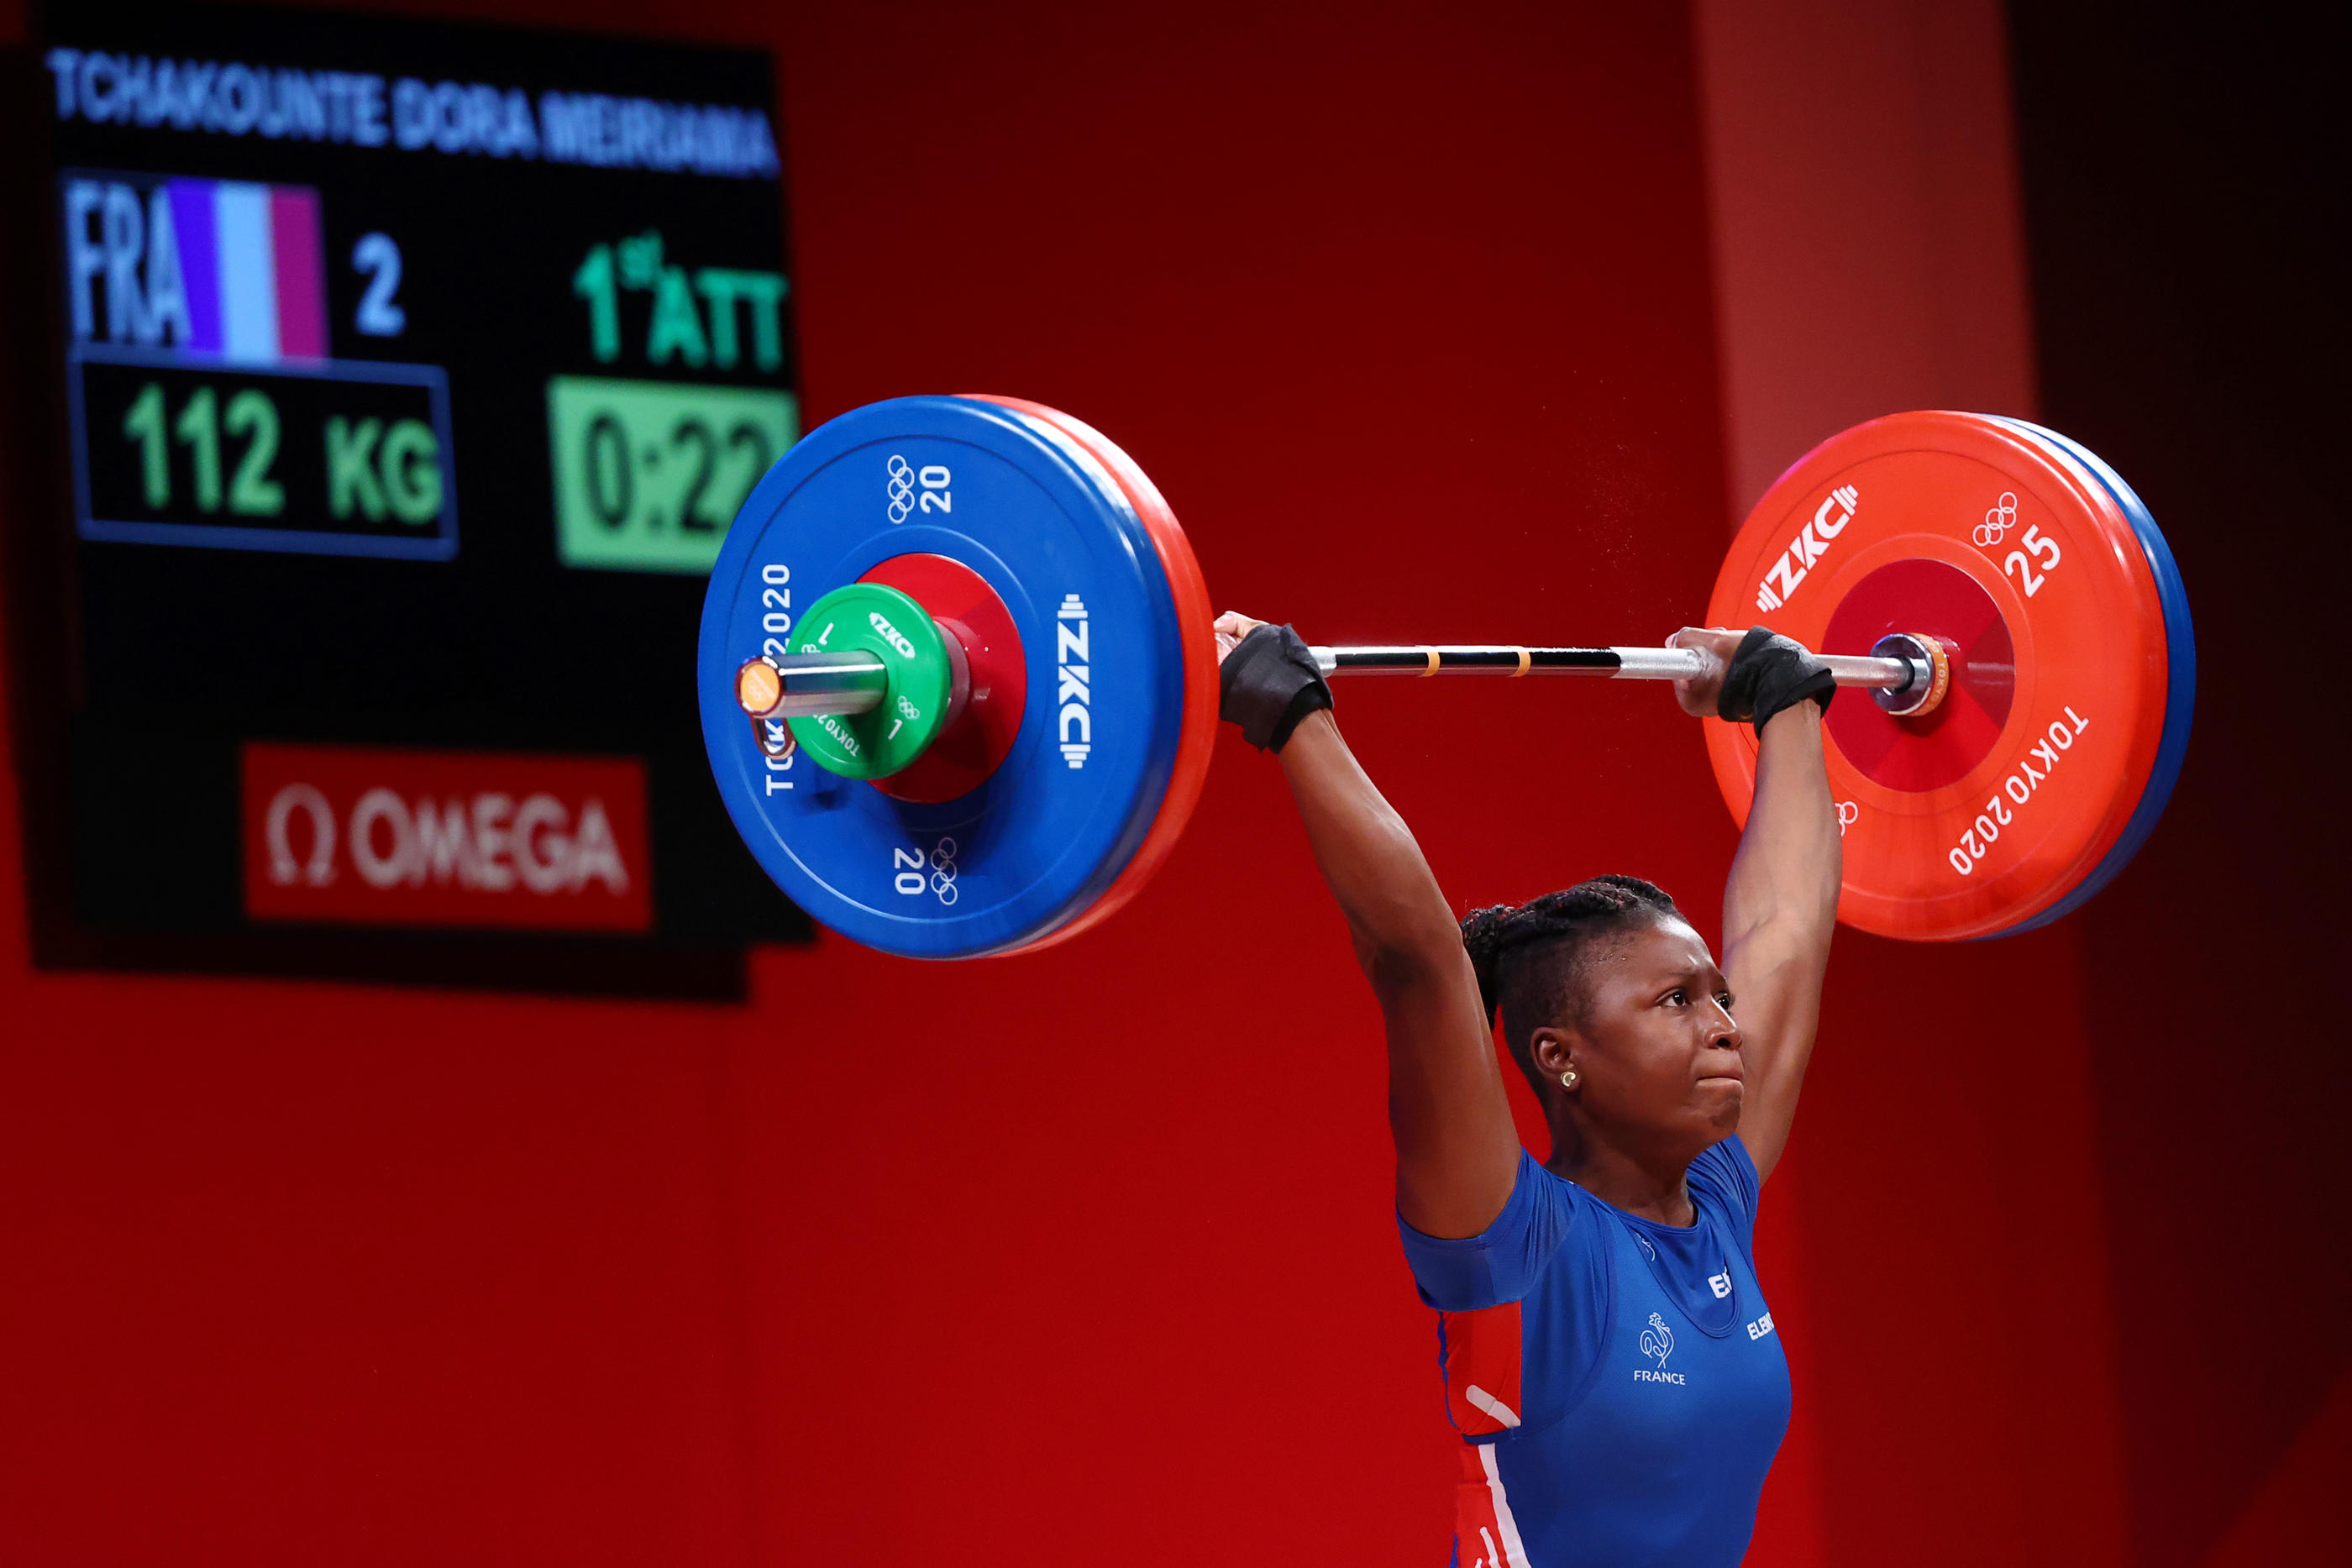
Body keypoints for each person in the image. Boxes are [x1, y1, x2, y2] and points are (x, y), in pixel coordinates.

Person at [1215, 614, 1842, 1568]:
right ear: (1559, 1056)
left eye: (1715, 995)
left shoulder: (1712, 1201)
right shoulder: (1513, 1244)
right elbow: (1417, 960)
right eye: (1676, 1001)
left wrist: (1781, 698)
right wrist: (1287, 704)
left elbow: (1786, 934)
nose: (1724, 1022)